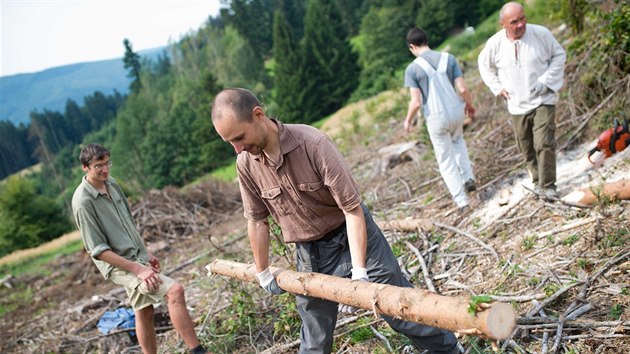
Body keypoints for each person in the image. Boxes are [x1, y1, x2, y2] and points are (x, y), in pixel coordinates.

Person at [211, 88, 459, 354]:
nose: (237, 148)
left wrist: (360, 272)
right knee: (315, 338)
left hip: (351, 236)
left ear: (258, 115)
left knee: (399, 309)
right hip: (309, 253)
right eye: (230, 143)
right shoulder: (245, 164)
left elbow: (352, 210)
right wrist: (262, 272)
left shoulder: (313, 144)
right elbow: (257, 220)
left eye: (239, 137)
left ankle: (450, 350)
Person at [71, 144, 210, 354]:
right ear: (85, 168)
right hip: (119, 265)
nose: (105, 169)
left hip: (137, 256)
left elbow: (128, 222)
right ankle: (198, 351)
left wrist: (146, 253)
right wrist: (138, 269)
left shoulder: (111, 183)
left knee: (144, 310)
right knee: (175, 291)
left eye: (107, 163)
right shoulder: (83, 202)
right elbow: (97, 250)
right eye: (98, 166)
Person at [478, 2, 566, 199]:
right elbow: (484, 66)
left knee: (544, 142)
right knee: (526, 148)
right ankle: (537, 181)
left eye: (523, 18)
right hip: (517, 104)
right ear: (503, 24)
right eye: (514, 21)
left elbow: (559, 55)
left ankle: (548, 186)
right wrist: (497, 87)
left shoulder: (540, 34)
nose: (520, 25)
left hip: (543, 98)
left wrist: (546, 80)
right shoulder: (495, 44)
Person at [403, 27, 477, 210]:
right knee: (459, 141)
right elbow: (462, 88)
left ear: (412, 47)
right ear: (427, 41)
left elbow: (416, 102)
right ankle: (468, 178)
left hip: (436, 117)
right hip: (456, 111)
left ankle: (461, 201)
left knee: (445, 159)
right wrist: (470, 105)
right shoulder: (449, 58)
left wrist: (408, 120)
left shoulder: (413, 69)